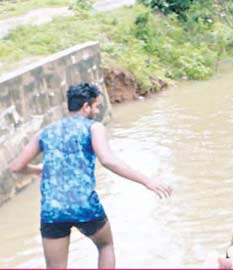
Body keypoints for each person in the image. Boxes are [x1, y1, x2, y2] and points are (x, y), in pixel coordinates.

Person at [8, 82, 172, 269]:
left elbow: (16, 166)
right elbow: (108, 160)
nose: (97, 110)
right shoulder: (93, 128)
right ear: (86, 106)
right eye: (95, 106)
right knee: (105, 246)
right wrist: (147, 181)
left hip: (52, 211)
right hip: (84, 206)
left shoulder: (44, 132)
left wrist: (37, 170)